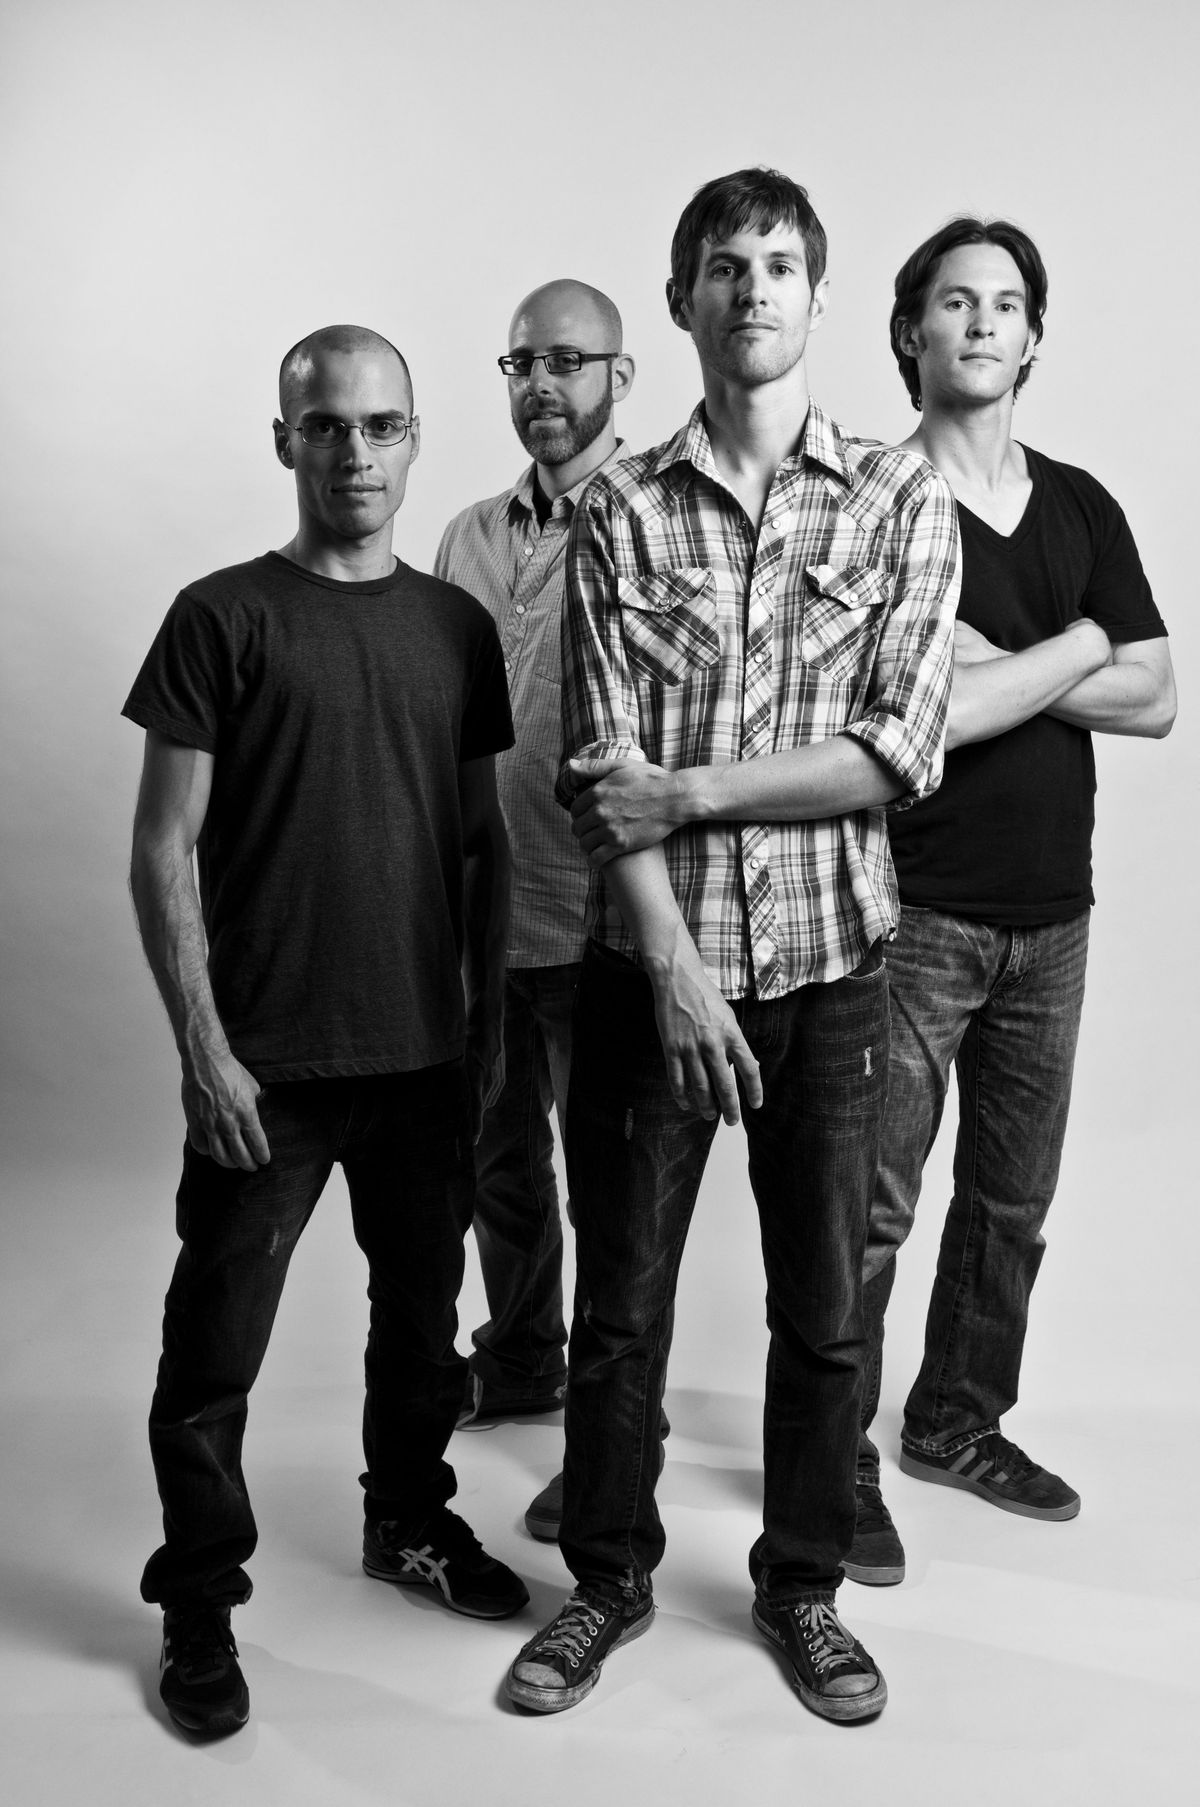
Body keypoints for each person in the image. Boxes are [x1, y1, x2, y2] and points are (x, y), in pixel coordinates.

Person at [503, 169, 961, 1723]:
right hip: (653, 978)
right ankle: (606, 1583)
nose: (751, 287)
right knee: (621, 1305)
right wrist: (677, 968)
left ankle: (803, 1588)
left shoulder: (897, 498)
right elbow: (598, 773)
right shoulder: (621, 508)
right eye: (722, 264)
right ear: (684, 300)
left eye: (776, 263)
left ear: (817, 298)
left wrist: (695, 790)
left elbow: (897, 748)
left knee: (823, 1310)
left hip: (834, 976)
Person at [123, 325, 528, 1740]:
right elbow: (162, 849)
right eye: (328, 426)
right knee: (213, 1352)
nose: (355, 451)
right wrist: (204, 1050)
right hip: (268, 1070)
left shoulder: (457, 630)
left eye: (381, 425)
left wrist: (483, 1027)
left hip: (425, 1063)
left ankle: (407, 1520)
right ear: (286, 440)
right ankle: (197, 1598)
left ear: (415, 440)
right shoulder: (220, 616)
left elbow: (479, 845)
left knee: (421, 1329)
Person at [846, 220, 1175, 1587]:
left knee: (1011, 1202)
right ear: (908, 331)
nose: (981, 322)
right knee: (868, 1205)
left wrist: (1016, 659)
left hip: (1055, 915)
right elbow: (922, 710)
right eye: (953, 301)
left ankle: (955, 1421)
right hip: (914, 911)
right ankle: (832, 1463)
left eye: (1004, 303)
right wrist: (1085, 642)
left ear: (1034, 335)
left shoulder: (1082, 505)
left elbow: (1158, 697)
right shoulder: (872, 503)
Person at [434, 282, 634, 1480]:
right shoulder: (467, 535)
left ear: (621, 376)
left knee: (614, 1189)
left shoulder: (657, 519)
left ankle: (615, 1423)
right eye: (522, 364)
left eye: (568, 360)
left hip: (601, 914)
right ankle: (519, 1358)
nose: (542, 385)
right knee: (497, 1162)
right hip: (480, 916)